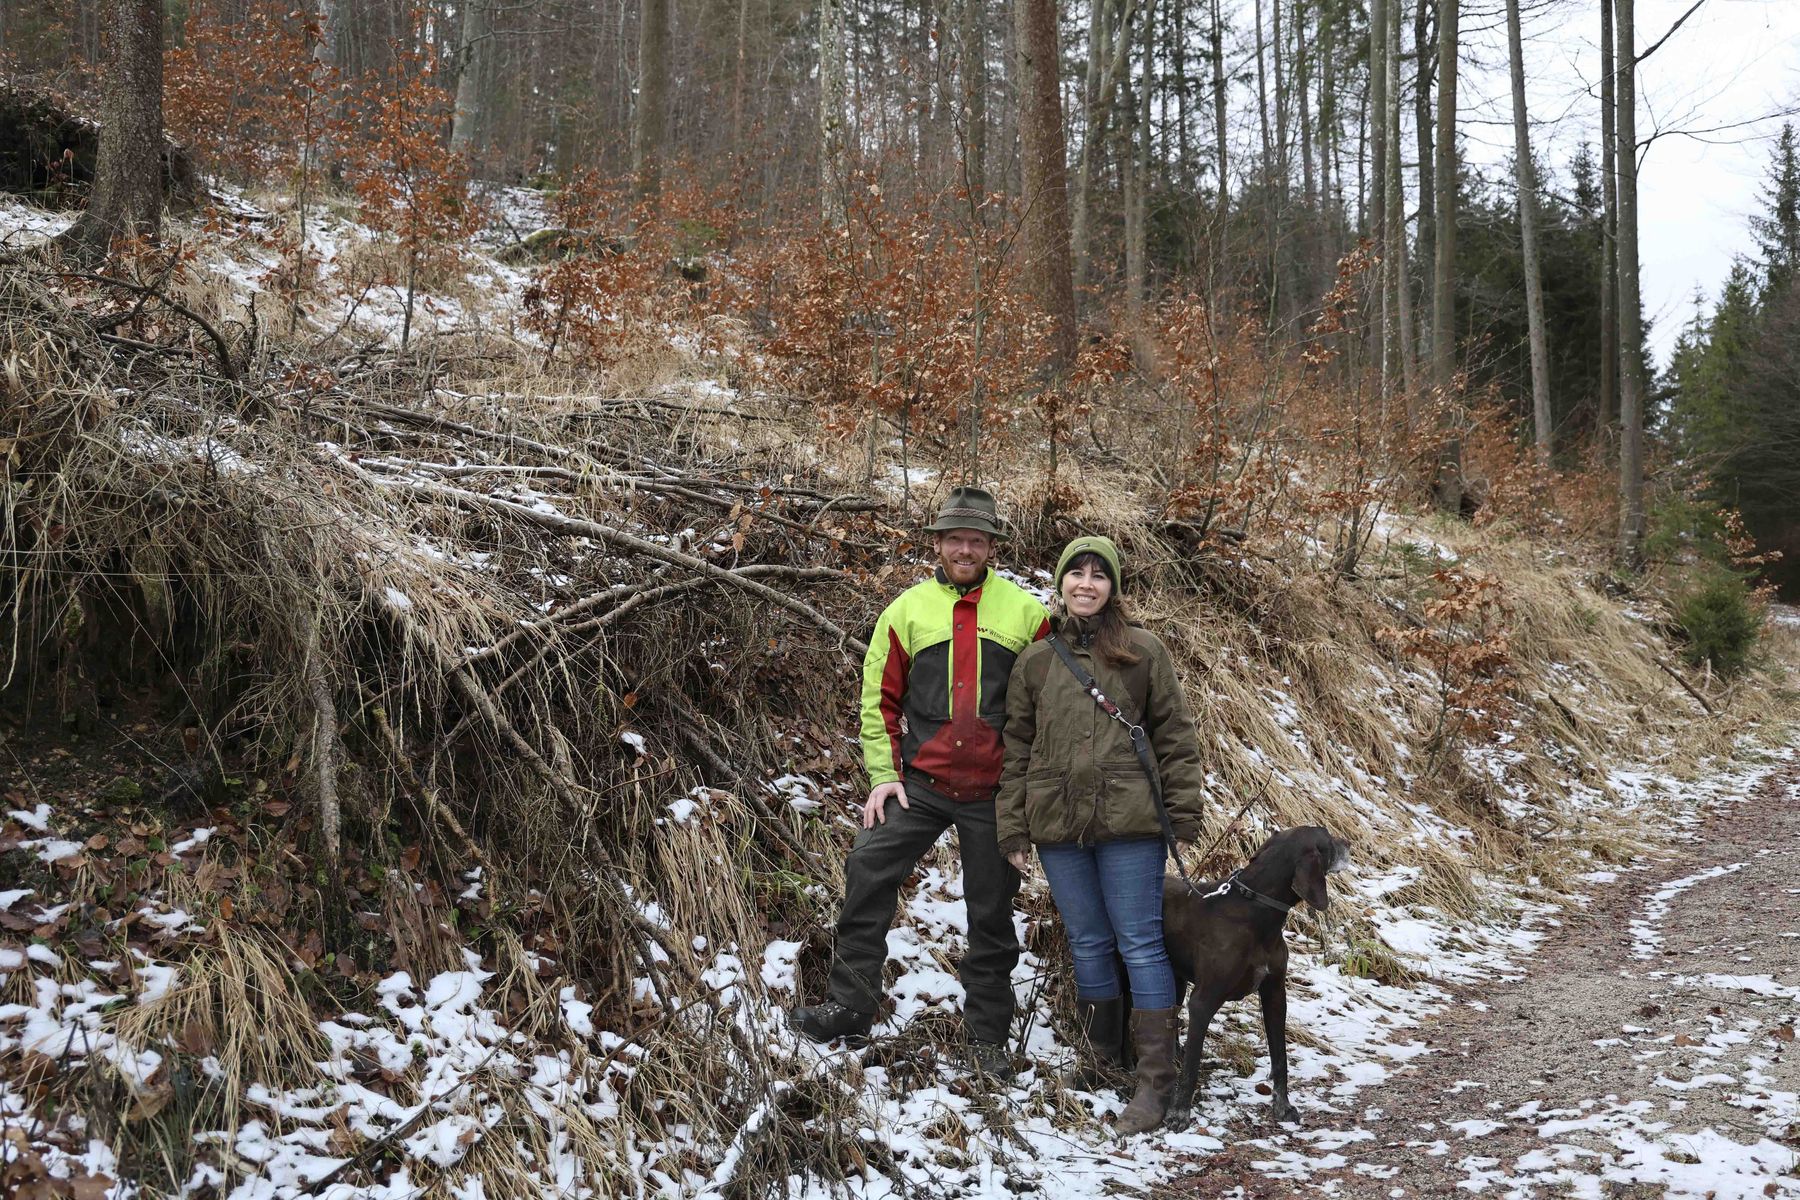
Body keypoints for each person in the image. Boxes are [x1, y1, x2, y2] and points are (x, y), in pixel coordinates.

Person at [790, 486, 1050, 1076]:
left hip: (994, 792)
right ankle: (850, 1006)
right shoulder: (904, 612)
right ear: (938, 543)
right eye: (955, 539)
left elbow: (1046, 707)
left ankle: (987, 1037)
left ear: (991, 547)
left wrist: (1028, 786)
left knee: (991, 911)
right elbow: (877, 699)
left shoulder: (1029, 615)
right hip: (922, 786)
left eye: (976, 540)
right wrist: (884, 775)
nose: (965, 549)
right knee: (868, 866)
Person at [996, 535, 1205, 1134]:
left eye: (1098, 575)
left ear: (1112, 587)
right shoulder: (1037, 661)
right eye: (1075, 574)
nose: (1085, 584)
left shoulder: (1142, 651)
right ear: (1060, 584)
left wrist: (1182, 814)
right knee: (1088, 940)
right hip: (1059, 823)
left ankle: (1154, 1082)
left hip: (1129, 821)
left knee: (1138, 941)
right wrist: (1013, 825)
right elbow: (1016, 747)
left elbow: (1174, 735)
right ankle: (1100, 1058)